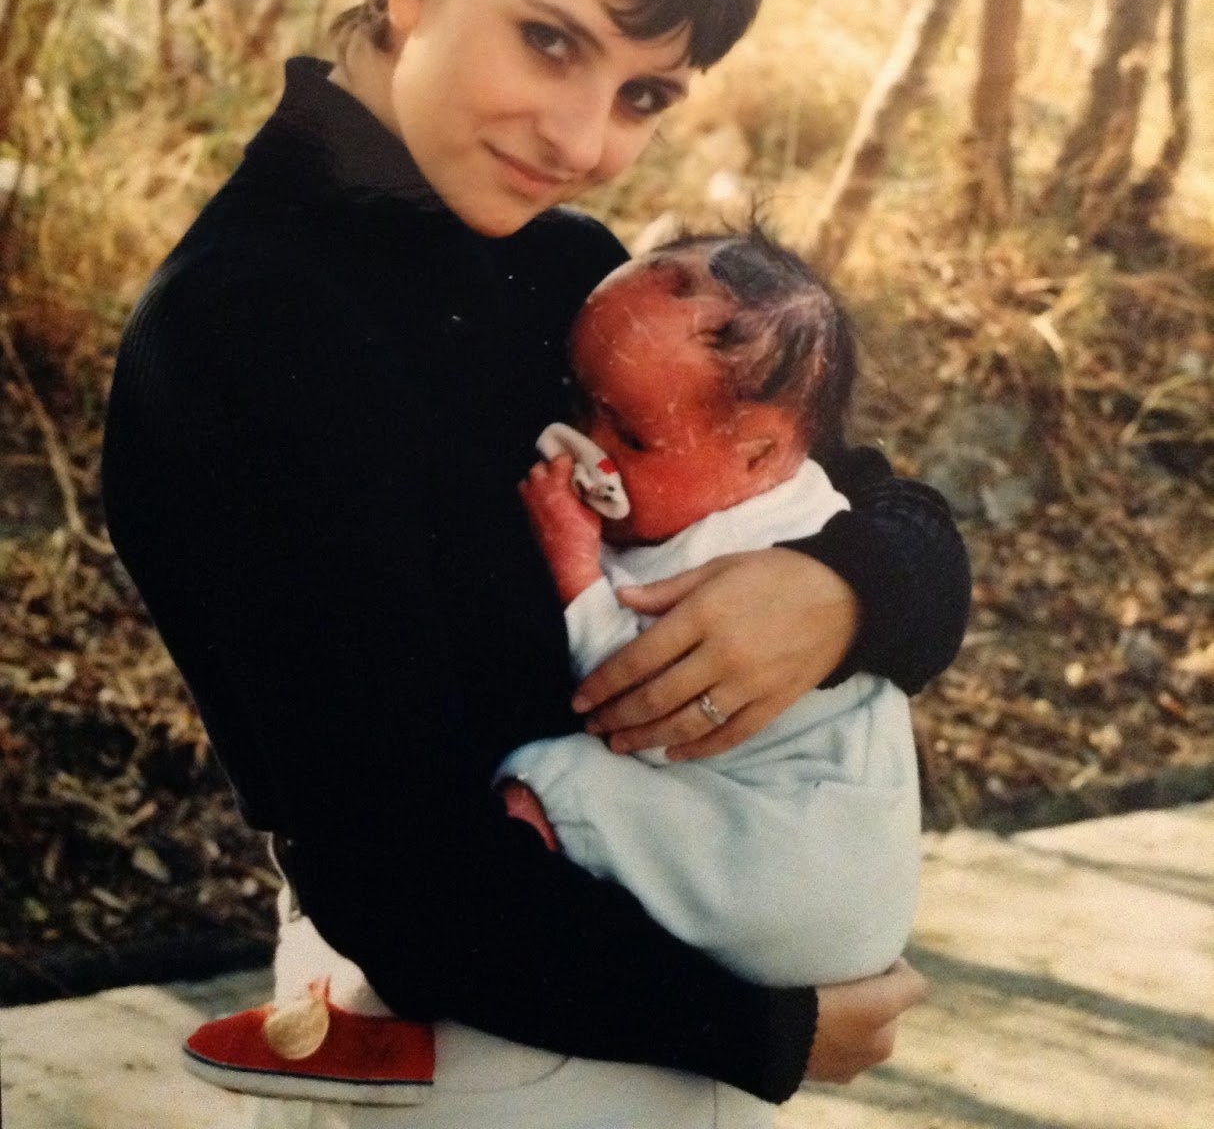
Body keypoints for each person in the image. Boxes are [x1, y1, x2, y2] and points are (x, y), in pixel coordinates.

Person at [102, 0, 968, 1128]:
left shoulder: (563, 265)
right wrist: (768, 1027)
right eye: (549, 41)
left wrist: (838, 588)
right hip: (451, 1058)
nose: (583, 140)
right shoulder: (238, 331)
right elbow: (399, 879)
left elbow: (889, 520)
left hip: (637, 1047)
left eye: (642, 92)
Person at [184, 229, 922, 1105]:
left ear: (762, 456)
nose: (587, 448)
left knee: (545, 784)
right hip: (737, 911)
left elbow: (649, 699)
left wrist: (578, 569)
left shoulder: (753, 539)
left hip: (781, 872)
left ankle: (387, 1021)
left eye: (633, 437)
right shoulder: (721, 457)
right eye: (579, 398)